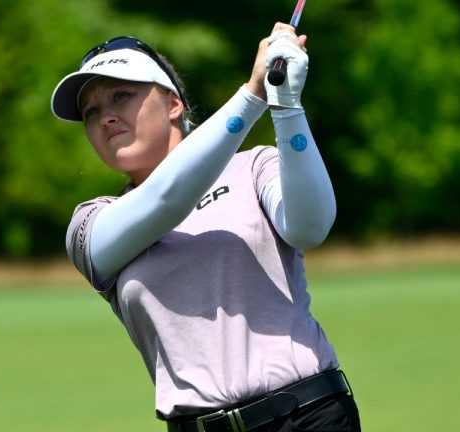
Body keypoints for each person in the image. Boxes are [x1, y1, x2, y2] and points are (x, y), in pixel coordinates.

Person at [51, 22, 361, 432]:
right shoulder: (91, 223)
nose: (106, 117)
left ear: (174, 104)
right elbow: (167, 199)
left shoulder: (253, 166)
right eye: (91, 112)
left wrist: (286, 105)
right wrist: (252, 97)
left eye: (121, 96)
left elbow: (310, 227)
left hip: (308, 416)